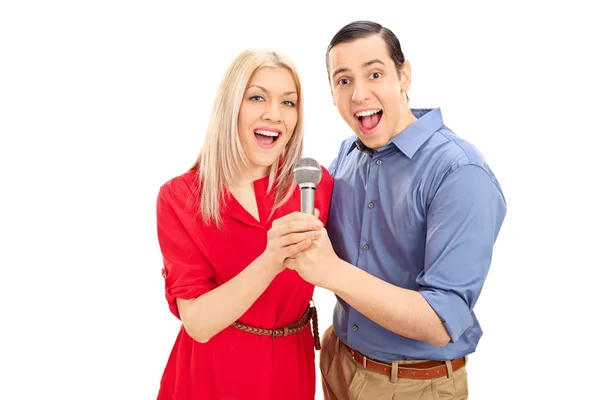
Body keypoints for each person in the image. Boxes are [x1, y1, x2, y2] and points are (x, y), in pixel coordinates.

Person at [285, 21, 507, 399]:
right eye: (343, 81)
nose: (359, 94)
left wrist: (332, 272)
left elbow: (441, 319)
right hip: (340, 361)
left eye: (375, 73)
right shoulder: (347, 155)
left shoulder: (458, 171)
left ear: (404, 75)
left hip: (411, 385)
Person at [155, 48, 333, 399]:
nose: (275, 115)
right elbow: (199, 324)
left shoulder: (315, 185)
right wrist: (271, 259)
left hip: (288, 373)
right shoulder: (180, 198)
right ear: (230, 107)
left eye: (288, 102)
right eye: (257, 98)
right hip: (208, 377)